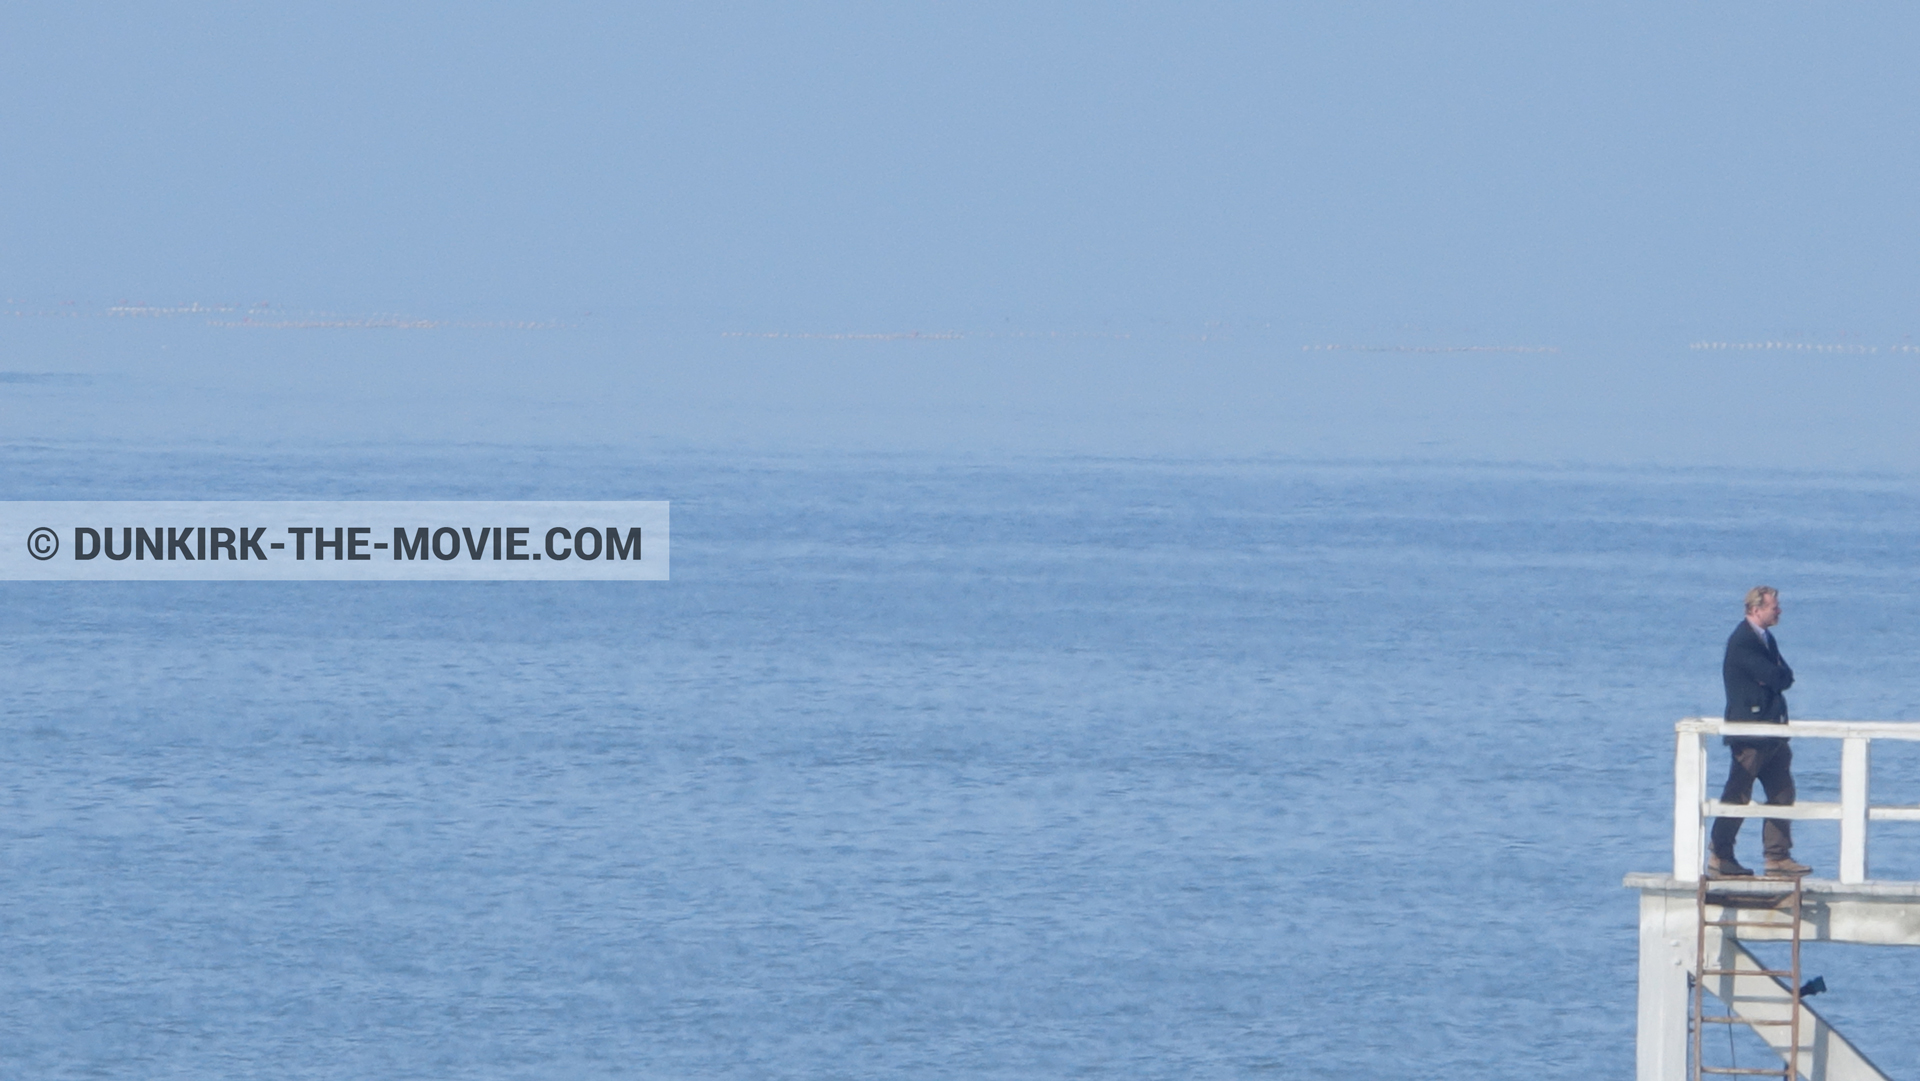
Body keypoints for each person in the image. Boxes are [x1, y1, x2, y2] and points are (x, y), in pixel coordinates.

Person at [1707, 586, 1810, 878]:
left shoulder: (1766, 639)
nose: (1779, 610)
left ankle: (1777, 857)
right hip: (1750, 734)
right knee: (1738, 792)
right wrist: (1773, 676)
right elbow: (1773, 676)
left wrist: (1775, 676)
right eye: (1774, 606)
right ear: (1756, 609)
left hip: (1772, 732)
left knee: (1782, 791)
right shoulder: (1742, 642)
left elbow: (1784, 676)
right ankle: (1720, 854)